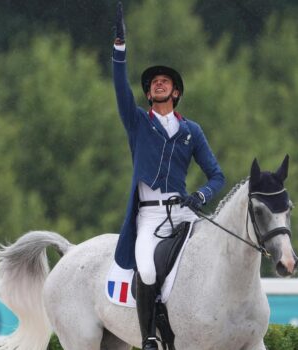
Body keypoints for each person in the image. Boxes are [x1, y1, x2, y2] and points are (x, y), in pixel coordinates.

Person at [112, 3, 225, 349]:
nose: (159, 84)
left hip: (184, 211)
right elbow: (119, 86)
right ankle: (149, 336)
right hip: (149, 215)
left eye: (166, 81)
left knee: (214, 257)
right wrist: (119, 51)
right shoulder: (138, 123)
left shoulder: (192, 130)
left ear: (175, 92)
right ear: (148, 94)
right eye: (154, 83)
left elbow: (216, 176)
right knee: (146, 271)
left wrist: (201, 196)